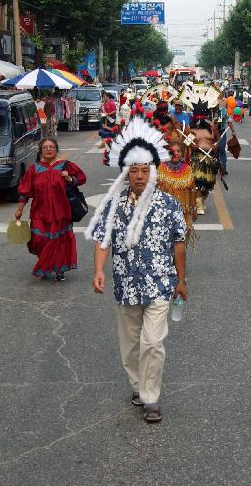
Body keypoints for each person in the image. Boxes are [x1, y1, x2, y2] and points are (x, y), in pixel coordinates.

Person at [87, 116, 188, 424]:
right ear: (126, 173)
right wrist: (99, 270)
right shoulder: (113, 205)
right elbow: (104, 240)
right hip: (126, 286)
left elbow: (179, 244)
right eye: (135, 171)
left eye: (146, 171)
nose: (140, 176)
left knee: (153, 343)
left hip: (160, 284)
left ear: (153, 172)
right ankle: (137, 384)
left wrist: (181, 280)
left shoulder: (169, 205)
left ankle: (151, 397)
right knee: (130, 346)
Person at [14, 138, 87, 281]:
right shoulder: (34, 169)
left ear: (56, 149)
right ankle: (47, 264)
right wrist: (19, 210)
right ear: (41, 150)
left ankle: (58, 269)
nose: (48, 149)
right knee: (39, 239)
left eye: (51, 147)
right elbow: (25, 192)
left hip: (61, 212)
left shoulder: (65, 166)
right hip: (39, 212)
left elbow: (82, 178)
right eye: (45, 147)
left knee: (58, 242)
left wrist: (69, 179)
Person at [157, 139, 198, 242]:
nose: (175, 153)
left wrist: (194, 208)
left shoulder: (188, 169)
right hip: (165, 212)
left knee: (180, 243)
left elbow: (192, 190)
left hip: (183, 212)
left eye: (178, 151)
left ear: (182, 153)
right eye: (172, 151)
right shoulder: (161, 168)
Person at [187, 102, 220, 215]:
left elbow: (218, 139)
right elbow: (186, 142)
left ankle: (201, 199)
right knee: (197, 183)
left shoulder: (211, 127)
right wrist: (192, 145)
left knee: (207, 185)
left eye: (202, 116)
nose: (200, 118)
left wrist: (216, 145)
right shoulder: (191, 128)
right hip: (197, 158)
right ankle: (198, 204)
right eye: (198, 116)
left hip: (209, 158)